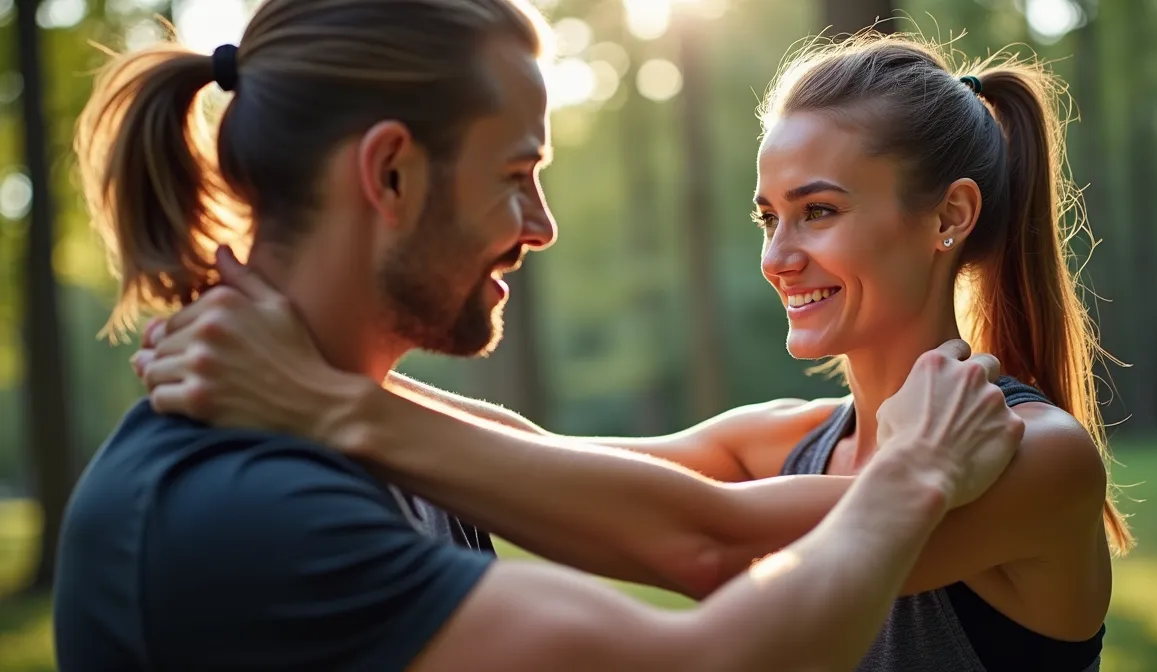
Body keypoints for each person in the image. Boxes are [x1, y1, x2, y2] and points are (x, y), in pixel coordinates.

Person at [52, 2, 1025, 670]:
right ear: (389, 175)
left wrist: (340, 403)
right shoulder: (244, 509)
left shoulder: (351, 446)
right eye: (516, 172)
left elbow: (557, 467)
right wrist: (912, 477)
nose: (541, 223)